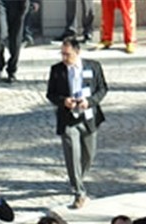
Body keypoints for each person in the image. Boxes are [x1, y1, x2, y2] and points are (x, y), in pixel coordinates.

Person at [46, 38, 108, 210]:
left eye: (68, 54)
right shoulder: (57, 70)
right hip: (68, 119)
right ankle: (79, 191)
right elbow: (50, 94)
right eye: (62, 54)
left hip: (88, 117)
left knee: (89, 154)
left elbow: (102, 89)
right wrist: (63, 101)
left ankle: (78, 177)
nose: (65, 57)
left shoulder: (93, 66)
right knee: (72, 156)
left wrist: (89, 102)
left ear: (77, 52)